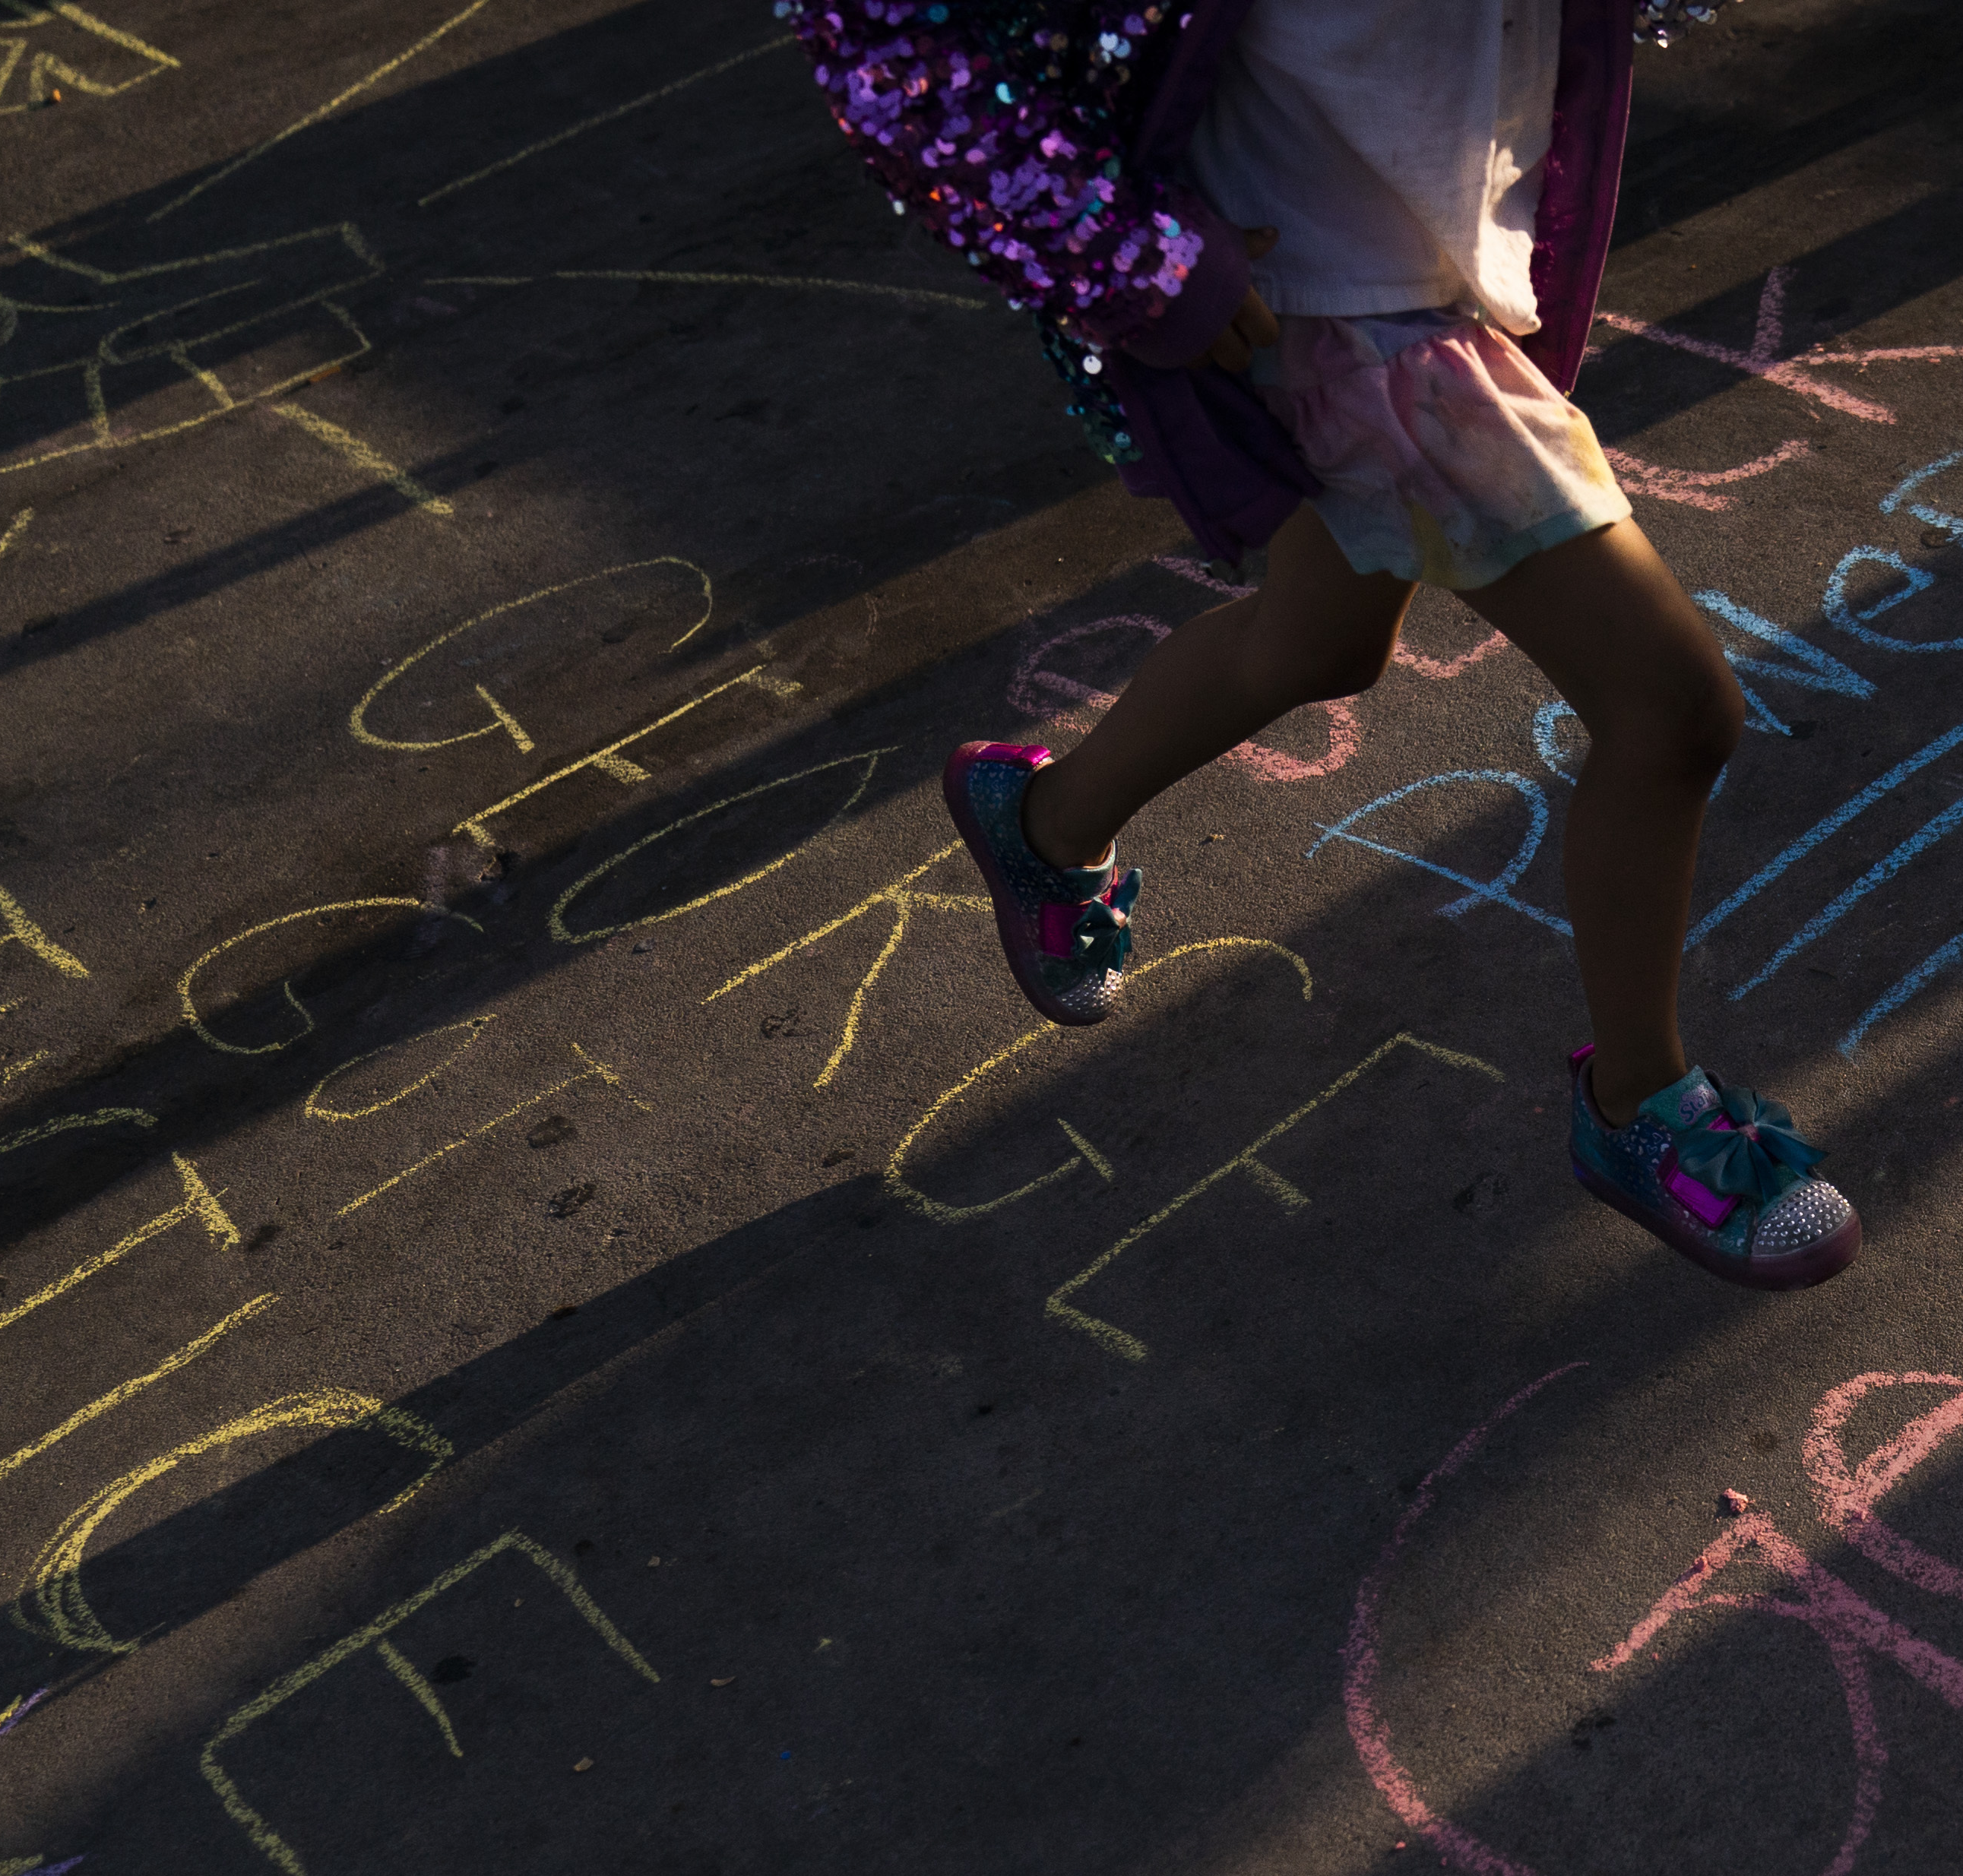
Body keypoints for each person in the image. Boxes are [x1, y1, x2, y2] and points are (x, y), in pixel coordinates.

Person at [783, 0, 1857, 1290]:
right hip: (1348, 326)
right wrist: (1134, 259)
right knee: (1672, 710)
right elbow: (900, 52)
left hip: (1408, 264)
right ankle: (1643, 1108)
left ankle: (1045, 820)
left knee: (1322, 636)